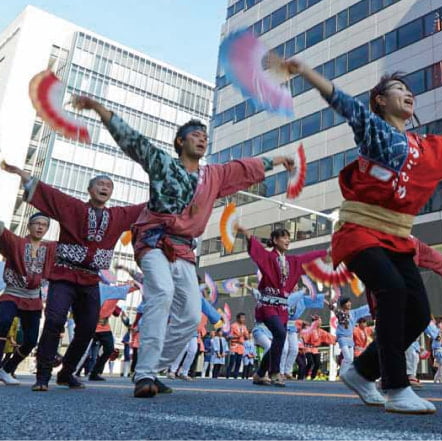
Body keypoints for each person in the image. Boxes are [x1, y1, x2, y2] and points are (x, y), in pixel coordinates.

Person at [278, 54, 442, 413]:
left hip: (398, 238)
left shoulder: (423, 146)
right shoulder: (375, 131)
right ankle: (395, 386)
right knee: (391, 290)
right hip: (360, 231)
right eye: (398, 89)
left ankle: (361, 371)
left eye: (410, 91)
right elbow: (344, 104)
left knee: (420, 313)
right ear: (379, 100)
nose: (408, 94)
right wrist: (306, 71)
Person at [69, 96, 294, 397]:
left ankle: (149, 368)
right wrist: (99, 110)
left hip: (186, 249)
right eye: (195, 135)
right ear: (179, 142)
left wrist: (278, 160)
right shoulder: (162, 164)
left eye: (204, 136)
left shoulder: (213, 176)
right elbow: (133, 141)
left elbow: (244, 168)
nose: (202, 139)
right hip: (154, 242)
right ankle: (145, 375)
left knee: (190, 317)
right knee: (161, 292)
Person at [2, 161, 147, 392]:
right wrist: (22, 174)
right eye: (100, 184)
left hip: (91, 280)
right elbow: (49, 194)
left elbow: (146, 208)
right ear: (90, 190)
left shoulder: (118, 215)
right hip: (64, 275)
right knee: (54, 321)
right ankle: (43, 375)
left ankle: (67, 373)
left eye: (108, 185)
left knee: (88, 327)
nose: (104, 187)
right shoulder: (74, 208)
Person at [238, 226, 327, 387]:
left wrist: (325, 253)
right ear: (274, 240)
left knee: (278, 339)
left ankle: (259, 374)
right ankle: (274, 372)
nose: (288, 240)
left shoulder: (291, 261)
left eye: (288, 238)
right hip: (267, 305)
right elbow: (257, 251)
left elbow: (307, 258)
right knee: (280, 334)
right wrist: (248, 236)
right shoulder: (268, 257)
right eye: (284, 237)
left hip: (282, 309)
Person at [0, 213, 56, 385]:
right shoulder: (15, 242)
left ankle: (6, 369)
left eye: (44, 225)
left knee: (31, 340)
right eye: (36, 223)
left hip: (33, 298)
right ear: (28, 226)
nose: (40, 227)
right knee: (3, 321)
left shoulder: (51, 247)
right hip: (12, 292)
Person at [89, 286, 132, 381]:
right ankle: (70, 371)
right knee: (82, 350)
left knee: (109, 349)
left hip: (104, 327)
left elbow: (117, 313)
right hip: (90, 325)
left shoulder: (115, 294)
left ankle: (95, 373)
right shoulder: (97, 289)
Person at [281, 290, 325, 379]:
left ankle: (287, 371)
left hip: (292, 327)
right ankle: (280, 372)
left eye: (297, 285)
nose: (296, 287)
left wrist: (325, 299)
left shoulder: (301, 299)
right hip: (283, 325)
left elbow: (313, 299)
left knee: (294, 349)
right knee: (284, 349)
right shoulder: (283, 297)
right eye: (294, 285)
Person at [328, 297, 371, 377]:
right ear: (343, 305)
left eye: (350, 302)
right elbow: (331, 306)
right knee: (347, 358)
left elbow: (363, 309)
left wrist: (373, 304)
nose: (349, 304)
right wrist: (332, 301)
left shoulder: (353, 313)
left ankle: (344, 375)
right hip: (342, 337)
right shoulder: (339, 312)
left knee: (350, 359)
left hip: (350, 338)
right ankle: (342, 375)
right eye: (347, 302)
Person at [300, 315, 335, 380]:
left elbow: (328, 336)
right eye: (319, 321)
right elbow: (303, 337)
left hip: (315, 349)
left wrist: (336, 339)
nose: (320, 323)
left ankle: (313, 376)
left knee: (317, 363)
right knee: (310, 362)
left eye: (320, 321)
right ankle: (305, 375)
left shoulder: (321, 331)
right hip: (308, 348)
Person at [226, 313, 249, 379]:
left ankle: (235, 375)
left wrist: (246, 335)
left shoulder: (244, 327)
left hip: (241, 346)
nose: (243, 319)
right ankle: (228, 374)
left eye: (244, 318)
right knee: (232, 361)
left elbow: (247, 337)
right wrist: (236, 336)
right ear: (238, 318)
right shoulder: (233, 326)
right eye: (242, 318)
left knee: (238, 362)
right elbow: (229, 336)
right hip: (234, 345)